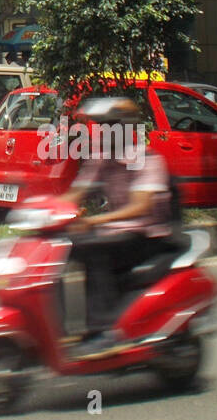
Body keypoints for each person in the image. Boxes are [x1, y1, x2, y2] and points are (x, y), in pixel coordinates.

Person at [63, 95, 177, 354]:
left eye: (111, 125)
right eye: (102, 125)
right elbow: (76, 193)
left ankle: (104, 331)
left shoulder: (146, 158)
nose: (104, 131)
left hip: (148, 237)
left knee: (95, 250)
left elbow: (140, 206)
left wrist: (93, 220)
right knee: (66, 248)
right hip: (117, 233)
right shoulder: (103, 158)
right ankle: (70, 328)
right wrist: (42, 210)